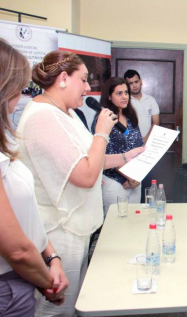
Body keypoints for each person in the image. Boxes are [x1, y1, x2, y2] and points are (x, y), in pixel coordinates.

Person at [16, 51, 144, 317]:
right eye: (84, 80)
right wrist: (101, 131)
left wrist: (124, 157)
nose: (88, 88)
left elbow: (89, 158)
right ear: (63, 78)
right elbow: (86, 176)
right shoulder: (43, 117)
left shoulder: (65, 112)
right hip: (60, 229)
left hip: (76, 224)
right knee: (56, 307)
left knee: (75, 299)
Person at [0, 39, 68, 316]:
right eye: (20, 88)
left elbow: (23, 214)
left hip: (23, 275)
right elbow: (16, 250)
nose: (23, 95)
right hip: (8, 283)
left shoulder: (6, 137)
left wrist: (50, 256)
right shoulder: (41, 115)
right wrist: (47, 282)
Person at [91, 77, 144, 216]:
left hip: (135, 179)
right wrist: (129, 177)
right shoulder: (103, 119)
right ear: (109, 96)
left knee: (134, 221)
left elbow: (139, 146)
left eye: (126, 93)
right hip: (115, 181)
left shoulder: (131, 117)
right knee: (116, 225)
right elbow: (104, 153)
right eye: (119, 93)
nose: (124, 96)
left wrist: (136, 177)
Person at [123, 69, 160, 143]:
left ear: (141, 81)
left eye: (136, 82)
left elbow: (156, 122)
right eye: (130, 83)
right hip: (128, 143)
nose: (134, 85)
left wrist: (146, 138)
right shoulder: (124, 101)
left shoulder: (151, 100)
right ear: (126, 85)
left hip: (148, 141)